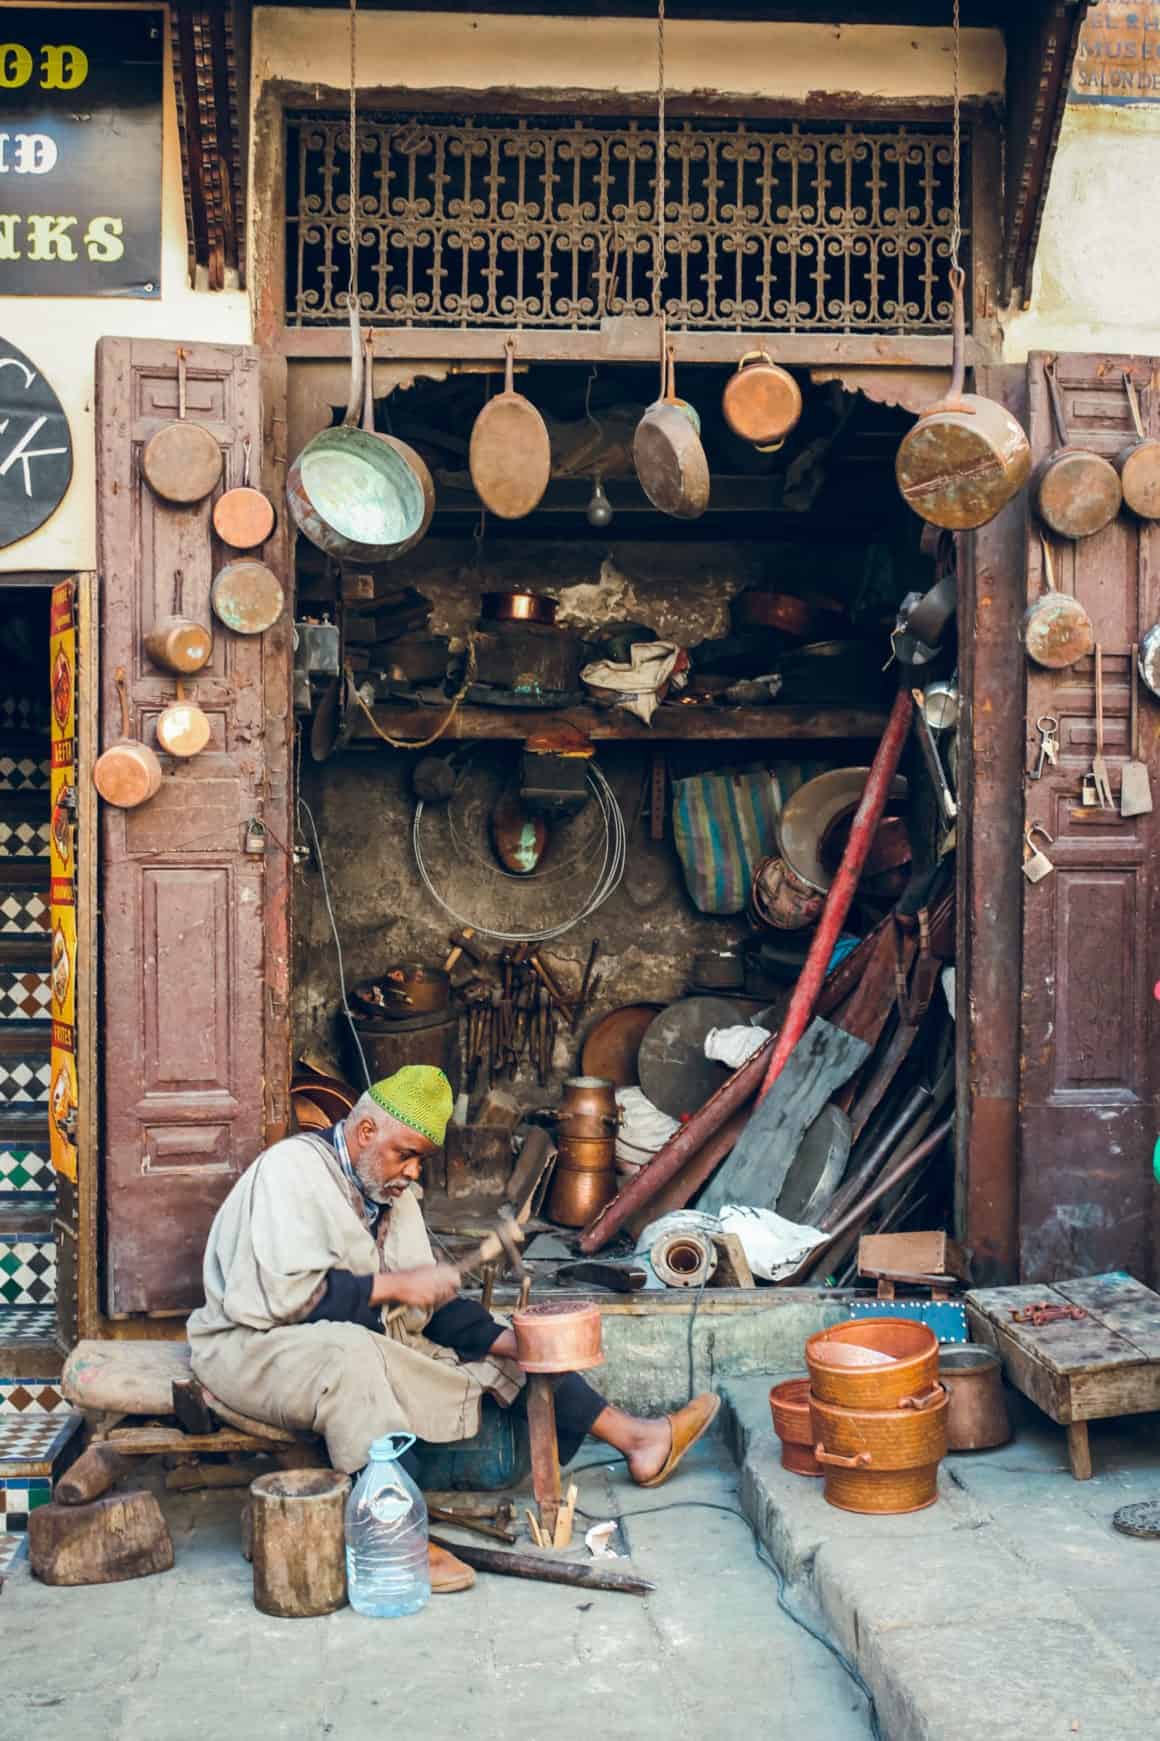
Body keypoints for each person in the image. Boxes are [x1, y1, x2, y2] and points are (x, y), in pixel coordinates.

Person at [188, 1066, 720, 1594]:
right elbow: (281, 1300)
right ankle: (394, 1534)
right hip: (250, 1347)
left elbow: (430, 1310)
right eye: (406, 1154)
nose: (414, 1172)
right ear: (366, 1131)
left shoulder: (393, 1196)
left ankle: (638, 1439)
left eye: (421, 1159)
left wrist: (512, 1342)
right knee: (349, 1358)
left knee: (505, 1349)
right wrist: (394, 1286)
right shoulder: (291, 1172)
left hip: (350, 1340)